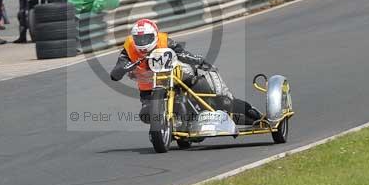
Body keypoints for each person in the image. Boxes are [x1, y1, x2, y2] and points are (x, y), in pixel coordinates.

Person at [109, 19, 263, 125]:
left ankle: (255, 115)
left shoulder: (165, 42)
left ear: (155, 36)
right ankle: (171, 125)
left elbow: (182, 53)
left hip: (180, 82)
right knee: (146, 115)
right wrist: (126, 66)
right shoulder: (129, 49)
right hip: (149, 92)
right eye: (138, 39)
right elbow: (115, 74)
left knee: (224, 102)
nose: (142, 44)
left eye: (146, 38)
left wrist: (199, 60)